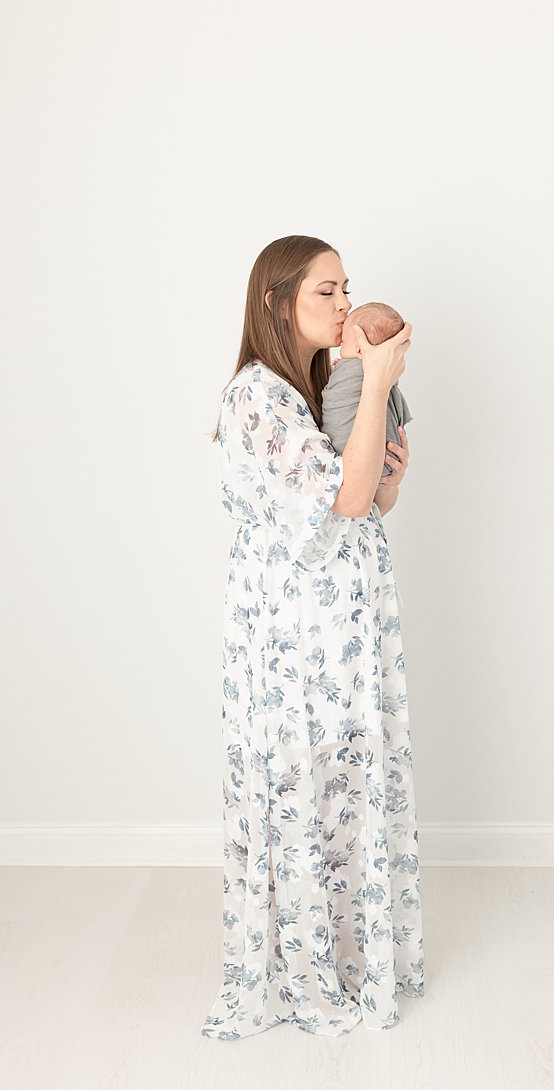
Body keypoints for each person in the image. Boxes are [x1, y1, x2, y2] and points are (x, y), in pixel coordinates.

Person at [202, 235, 425, 1040]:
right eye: (326, 292)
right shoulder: (257, 397)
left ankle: (348, 952)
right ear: (277, 303)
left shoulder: (312, 387)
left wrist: (392, 467)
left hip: (340, 628)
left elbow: (369, 502)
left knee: (343, 786)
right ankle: (302, 963)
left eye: (345, 290)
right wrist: (378, 385)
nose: (342, 307)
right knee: (303, 786)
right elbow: (342, 502)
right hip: (297, 635)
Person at [322, 300, 415, 478]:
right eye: (326, 293)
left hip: (352, 462)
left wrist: (340, 371)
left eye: (343, 342)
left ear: (359, 350)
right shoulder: (384, 376)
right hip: (387, 459)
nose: (340, 351)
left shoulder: (356, 370)